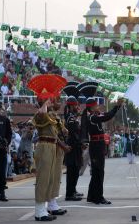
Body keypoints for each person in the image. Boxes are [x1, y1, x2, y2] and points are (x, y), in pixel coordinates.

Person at [28, 74, 67, 221]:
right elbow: (41, 114)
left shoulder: (53, 115)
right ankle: (39, 210)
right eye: (50, 99)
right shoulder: (41, 114)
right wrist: (44, 100)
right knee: (43, 178)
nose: (53, 101)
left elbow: (62, 131)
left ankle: (51, 204)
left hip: (54, 147)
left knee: (53, 178)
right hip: (44, 147)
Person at [79, 81, 124, 205]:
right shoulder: (92, 117)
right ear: (92, 107)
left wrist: (117, 106)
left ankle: (92, 196)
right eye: (96, 105)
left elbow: (106, 115)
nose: (98, 107)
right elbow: (107, 116)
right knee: (99, 172)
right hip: (96, 145)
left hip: (98, 145)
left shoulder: (94, 115)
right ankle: (98, 197)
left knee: (97, 172)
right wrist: (117, 106)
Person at [63, 82, 83, 201]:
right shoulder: (70, 118)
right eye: (75, 105)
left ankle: (73, 190)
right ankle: (69, 194)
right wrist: (80, 142)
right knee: (71, 171)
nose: (77, 107)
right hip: (72, 147)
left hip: (76, 147)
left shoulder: (74, 117)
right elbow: (74, 133)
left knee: (76, 170)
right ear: (71, 106)